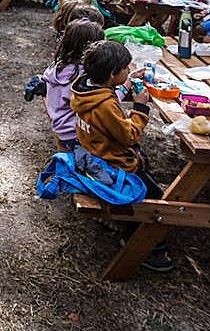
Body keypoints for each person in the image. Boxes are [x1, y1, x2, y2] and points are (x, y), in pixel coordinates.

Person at [70, 40, 172, 272]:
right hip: (111, 166)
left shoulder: (86, 91)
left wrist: (125, 84)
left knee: (147, 178)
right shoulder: (105, 106)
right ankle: (148, 248)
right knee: (154, 197)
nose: (128, 70)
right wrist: (140, 108)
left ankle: (124, 223)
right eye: (125, 69)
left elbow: (108, 97)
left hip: (91, 155)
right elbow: (129, 136)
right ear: (112, 73)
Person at [44, 19, 106, 149]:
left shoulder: (60, 65)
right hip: (73, 134)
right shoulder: (81, 77)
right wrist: (124, 88)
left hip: (60, 122)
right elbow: (102, 103)